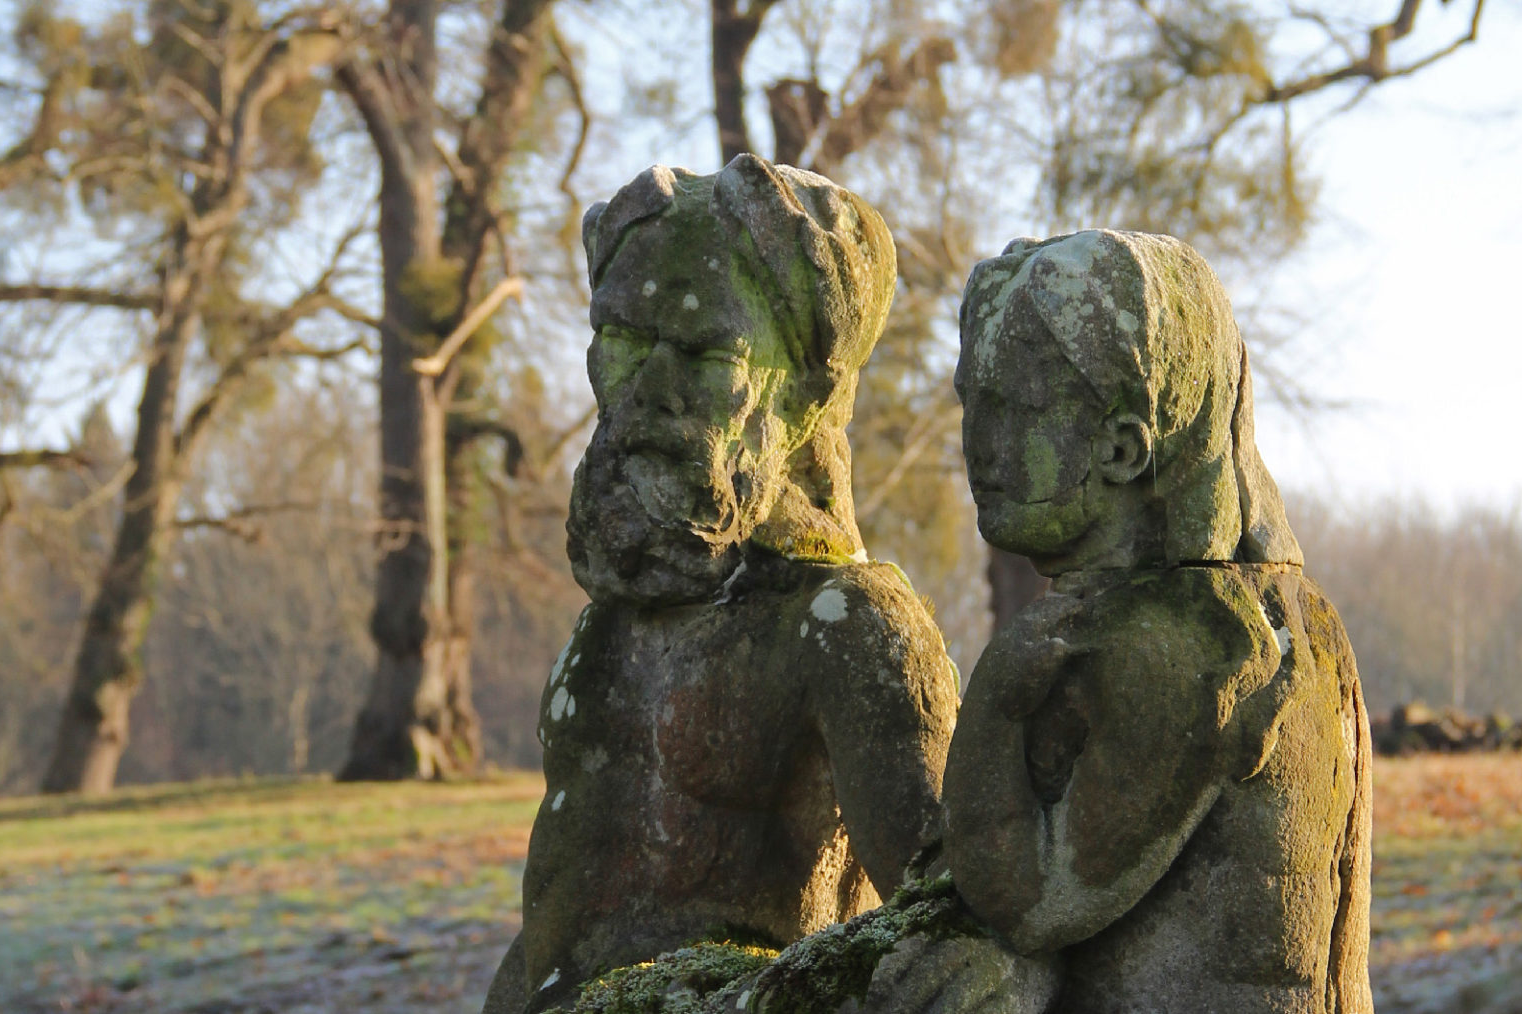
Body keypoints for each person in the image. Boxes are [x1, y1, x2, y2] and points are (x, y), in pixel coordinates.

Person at [482, 155, 961, 1014]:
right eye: (623, 343)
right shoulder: (611, 625)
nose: (652, 392)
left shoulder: (847, 628)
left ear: (808, 391)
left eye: (707, 353)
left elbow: (949, 930)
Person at [943, 230, 1374, 1014]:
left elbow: (1028, 901)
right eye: (973, 402)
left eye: (1018, 410)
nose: (980, 445)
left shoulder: (1184, 640)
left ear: (1123, 445)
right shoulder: (1285, 613)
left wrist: (998, 701)